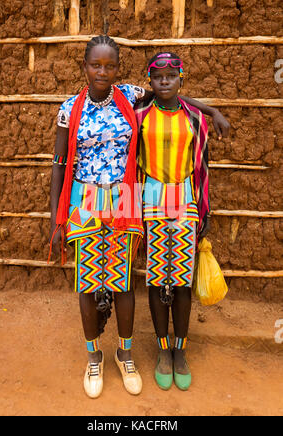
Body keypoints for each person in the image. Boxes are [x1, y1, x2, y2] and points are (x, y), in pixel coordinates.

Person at [49, 36, 229, 399]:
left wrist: (210, 111)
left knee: (122, 279)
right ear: (84, 67)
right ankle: (94, 356)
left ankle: (125, 354)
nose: (102, 71)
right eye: (95, 65)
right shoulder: (69, 109)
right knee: (87, 280)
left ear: (117, 69)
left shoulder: (130, 95)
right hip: (84, 197)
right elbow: (58, 163)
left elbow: (173, 97)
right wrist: (56, 218)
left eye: (109, 66)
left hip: (126, 195)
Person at [135, 52, 215, 391]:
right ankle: (162, 349)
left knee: (182, 280)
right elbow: (130, 163)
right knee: (157, 278)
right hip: (150, 198)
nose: (164, 81)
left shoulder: (196, 118)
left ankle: (180, 350)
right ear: (151, 82)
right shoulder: (138, 115)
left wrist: (205, 209)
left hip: (184, 198)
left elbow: (203, 167)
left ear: (181, 78)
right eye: (158, 77)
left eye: (171, 76)